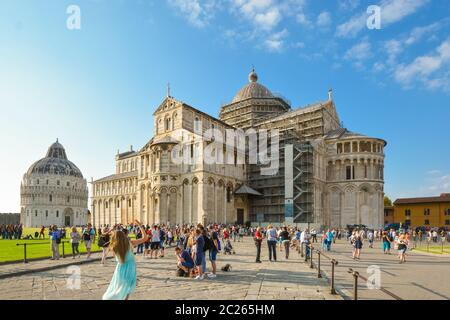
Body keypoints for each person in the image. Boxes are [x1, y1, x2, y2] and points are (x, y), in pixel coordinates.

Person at [102, 220, 148, 300]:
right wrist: (140, 226)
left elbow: (104, 235)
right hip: (130, 267)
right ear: (124, 236)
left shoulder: (113, 246)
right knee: (127, 288)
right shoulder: (130, 243)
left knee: (119, 287)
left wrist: (112, 230)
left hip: (120, 268)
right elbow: (145, 238)